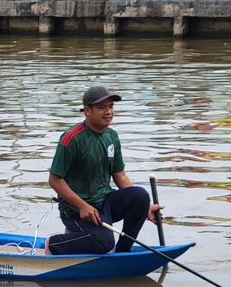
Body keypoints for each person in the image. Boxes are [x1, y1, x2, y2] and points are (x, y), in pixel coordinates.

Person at [44, 87, 161, 256]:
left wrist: (144, 209)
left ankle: (122, 252)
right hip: (76, 209)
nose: (108, 112)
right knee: (104, 242)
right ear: (87, 111)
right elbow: (55, 180)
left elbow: (119, 175)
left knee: (140, 196)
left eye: (111, 107)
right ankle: (55, 244)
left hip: (104, 201)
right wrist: (82, 205)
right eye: (102, 107)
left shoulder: (111, 136)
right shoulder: (71, 139)